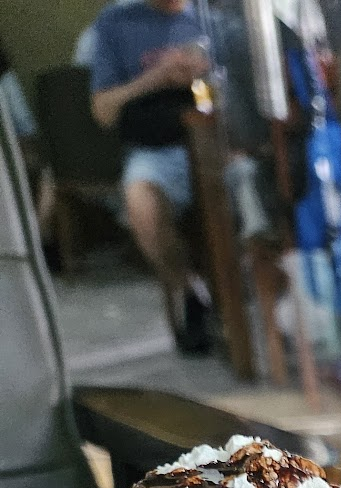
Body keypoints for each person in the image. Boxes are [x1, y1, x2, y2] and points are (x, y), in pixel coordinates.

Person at [87, 0, 212, 352]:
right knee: (140, 201)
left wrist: (199, 80)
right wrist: (156, 78)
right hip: (154, 150)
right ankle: (191, 291)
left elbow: (211, 102)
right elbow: (103, 111)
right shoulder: (116, 22)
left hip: (215, 141)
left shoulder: (211, 14)